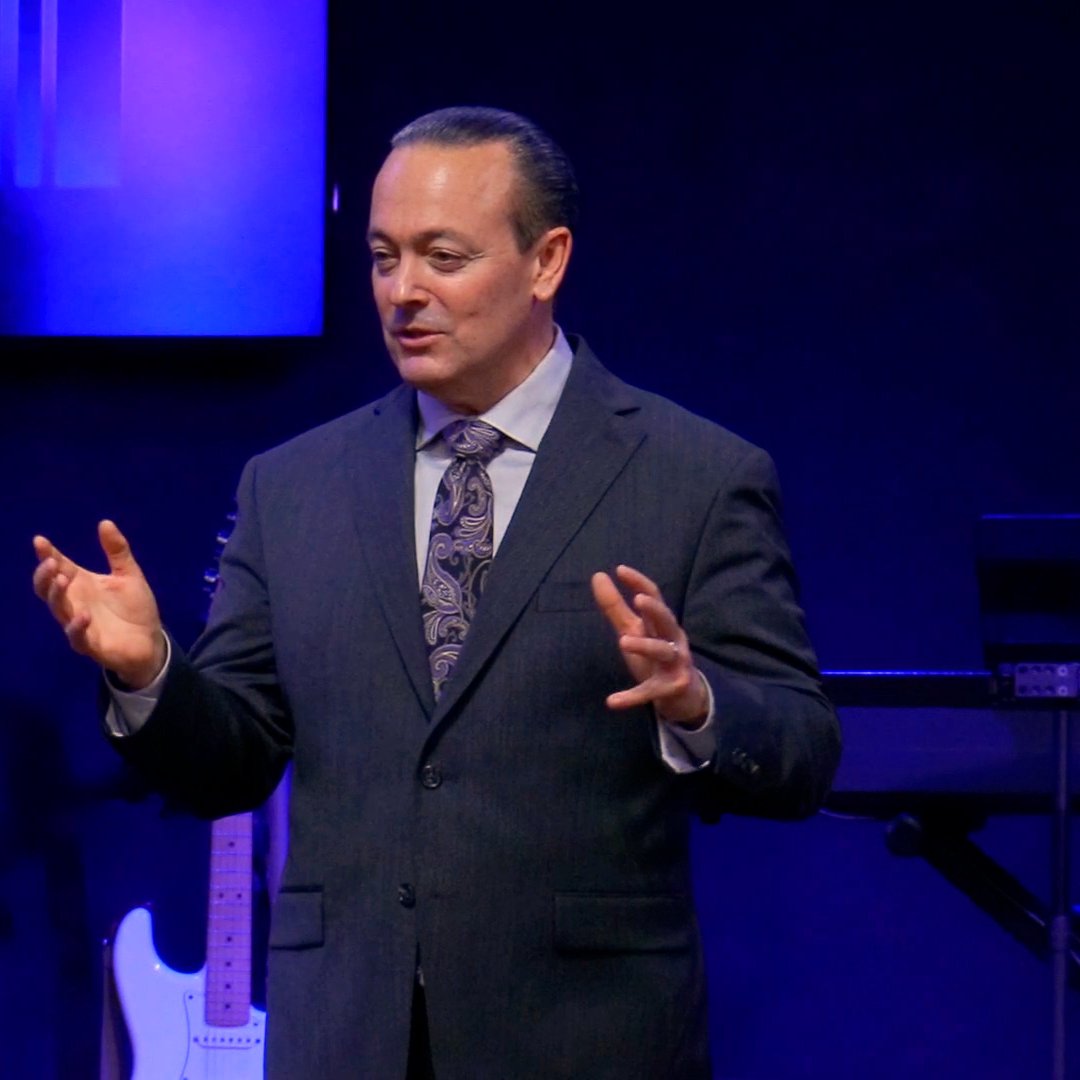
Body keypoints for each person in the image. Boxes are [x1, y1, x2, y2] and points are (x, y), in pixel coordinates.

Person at [32, 106, 841, 1079]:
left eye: (443, 258)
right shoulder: (292, 488)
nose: (403, 291)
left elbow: (802, 751)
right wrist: (151, 674)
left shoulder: (694, 476)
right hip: (347, 1040)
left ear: (546, 262)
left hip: (585, 1041)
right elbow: (227, 767)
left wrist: (698, 703)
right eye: (383, 258)